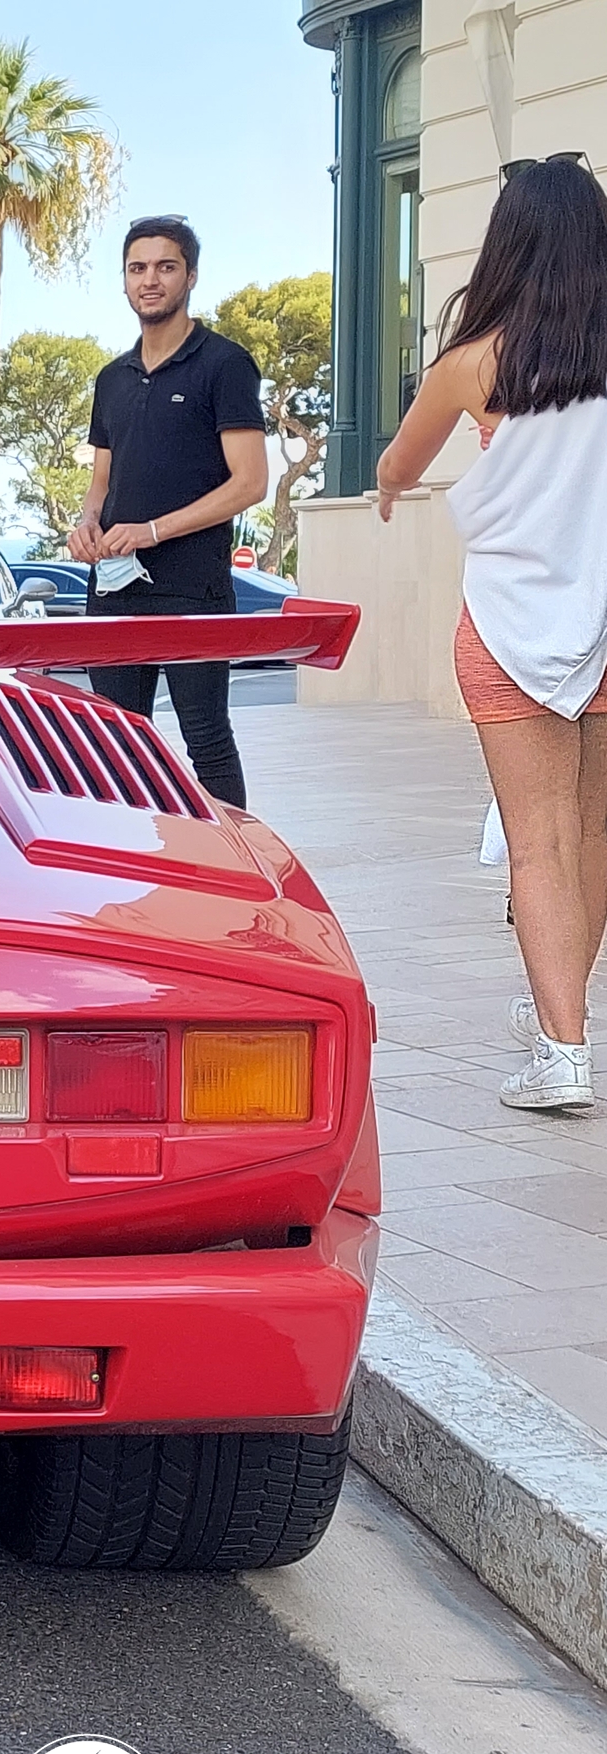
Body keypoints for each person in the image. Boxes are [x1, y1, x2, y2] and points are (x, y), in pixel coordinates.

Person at [377, 154, 607, 1111]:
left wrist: (391, 485)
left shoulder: (476, 363)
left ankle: (563, 1049)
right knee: (592, 830)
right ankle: (564, 1016)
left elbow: (398, 460)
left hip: (511, 626)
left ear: (506, 245)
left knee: (537, 841)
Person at [68, 215, 271, 809]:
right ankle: (136, 864)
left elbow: (251, 483)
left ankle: (238, 871)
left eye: (165, 266)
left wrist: (153, 531)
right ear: (124, 281)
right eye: (138, 268)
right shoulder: (112, 378)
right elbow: (101, 482)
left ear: (190, 276)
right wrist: (87, 525)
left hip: (193, 591)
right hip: (112, 592)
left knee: (206, 741)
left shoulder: (225, 365)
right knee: (116, 745)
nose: (150, 279)